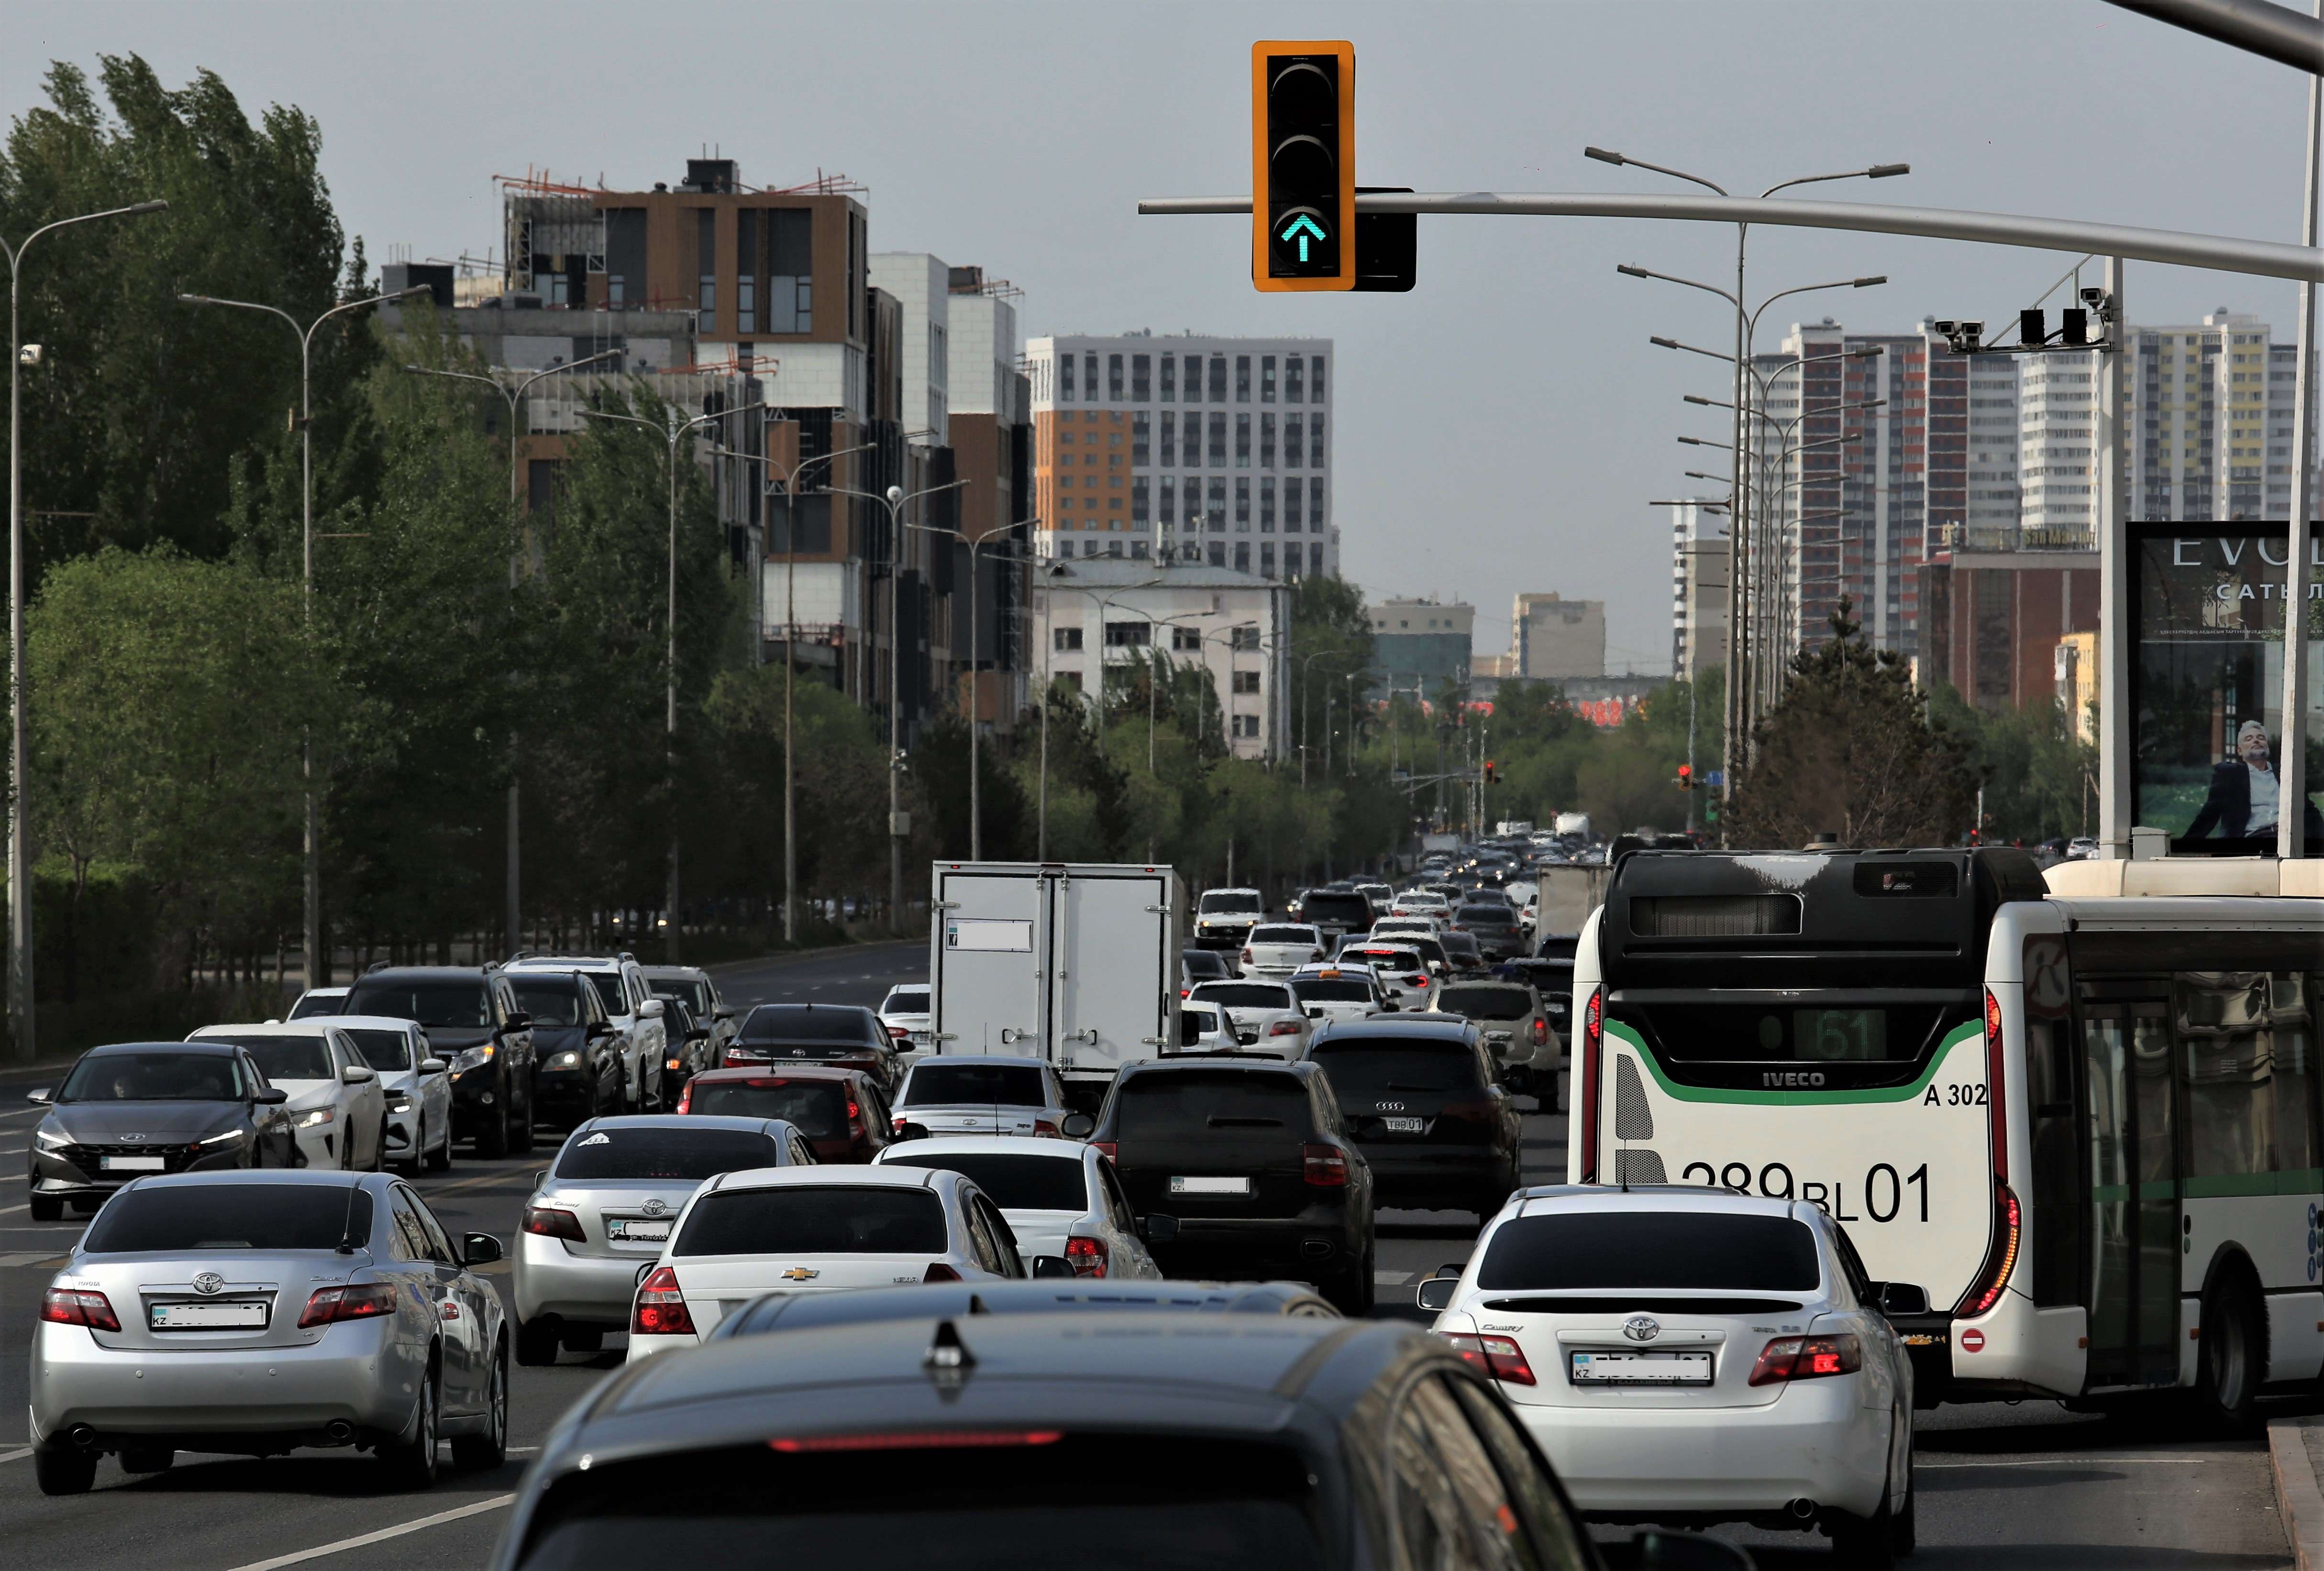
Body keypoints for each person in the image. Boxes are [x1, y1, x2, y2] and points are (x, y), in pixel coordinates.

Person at [2184, 720, 2324, 843]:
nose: (2256, 741)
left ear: (2267, 747)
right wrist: (2183, 847)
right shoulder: (2230, 775)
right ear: (2240, 751)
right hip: (2253, 841)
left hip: (2289, 840)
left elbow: (2309, 811)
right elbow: (2210, 813)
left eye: (2261, 738)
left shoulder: (2286, 773)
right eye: (2249, 739)